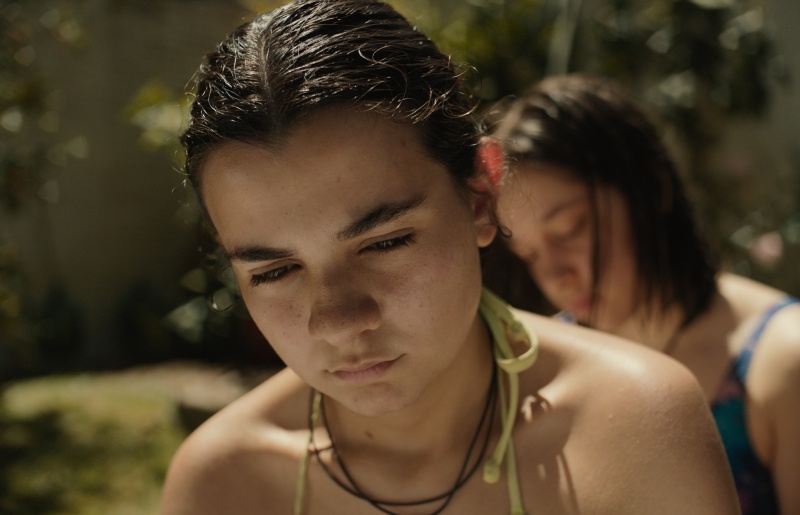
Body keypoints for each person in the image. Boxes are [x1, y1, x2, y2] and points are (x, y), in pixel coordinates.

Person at [159, 3, 740, 514]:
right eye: (274, 271)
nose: (338, 321)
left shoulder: (635, 428)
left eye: (385, 243)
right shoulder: (224, 483)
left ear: (481, 196)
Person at [490, 73, 800, 515]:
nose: (555, 275)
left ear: (651, 188)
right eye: (529, 254)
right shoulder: (538, 371)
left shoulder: (783, 361)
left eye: (569, 229)